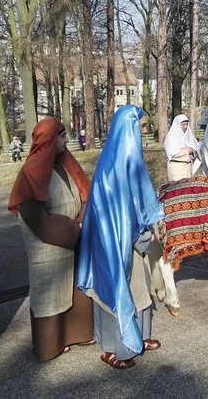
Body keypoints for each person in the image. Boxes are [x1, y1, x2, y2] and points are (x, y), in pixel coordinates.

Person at [76, 105, 165, 369]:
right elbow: (114, 211)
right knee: (113, 286)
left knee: (140, 285)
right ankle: (110, 348)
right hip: (112, 242)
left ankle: (141, 335)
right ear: (129, 128)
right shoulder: (110, 166)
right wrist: (136, 234)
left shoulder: (131, 159)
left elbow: (139, 200)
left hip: (135, 238)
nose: (145, 130)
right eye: (142, 125)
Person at [8, 118, 94, 361]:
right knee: (51, 294)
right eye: (62, 136)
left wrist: (81, 219)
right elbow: (36, 218)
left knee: (75, 288)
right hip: (48, 243)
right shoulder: (31, 173)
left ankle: (76, 333)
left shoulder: (66, 164)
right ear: (49, 139)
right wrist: (74, 226)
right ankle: (50, 344)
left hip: (73, 236)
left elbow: (84, 195)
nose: (67, 140)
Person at [164, 114, 200, 180]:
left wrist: (191, 151)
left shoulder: (188, 135)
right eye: (183, 125)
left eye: (187, 124)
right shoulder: (171, 137)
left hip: (188, 169)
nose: (185, 127)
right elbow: (174, 154)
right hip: (177, 170)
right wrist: (188, 151)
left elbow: (196, 148)